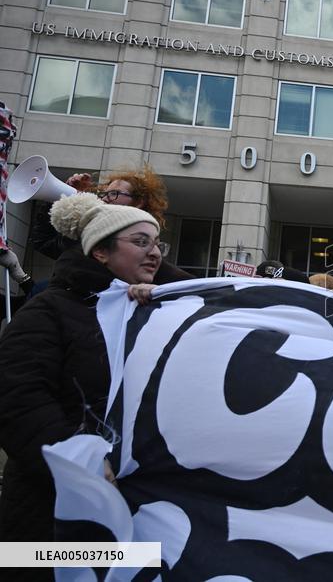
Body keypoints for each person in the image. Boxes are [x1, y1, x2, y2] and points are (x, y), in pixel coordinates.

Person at [0, 193, 175, 580]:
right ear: (100, 252)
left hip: (132, 503)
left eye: (157, 244)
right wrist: (81, 462)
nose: (155, 254)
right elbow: (18, 400)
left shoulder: (150, 309)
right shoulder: (46, 311)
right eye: (140, 242)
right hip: (48, 514)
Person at [30, 165, 191, 284]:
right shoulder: (89, 234)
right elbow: (42, 242)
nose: (105, 199)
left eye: (114, 194)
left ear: (139, 202)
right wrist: (63, 198)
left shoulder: (148, 243)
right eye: (105, 194)